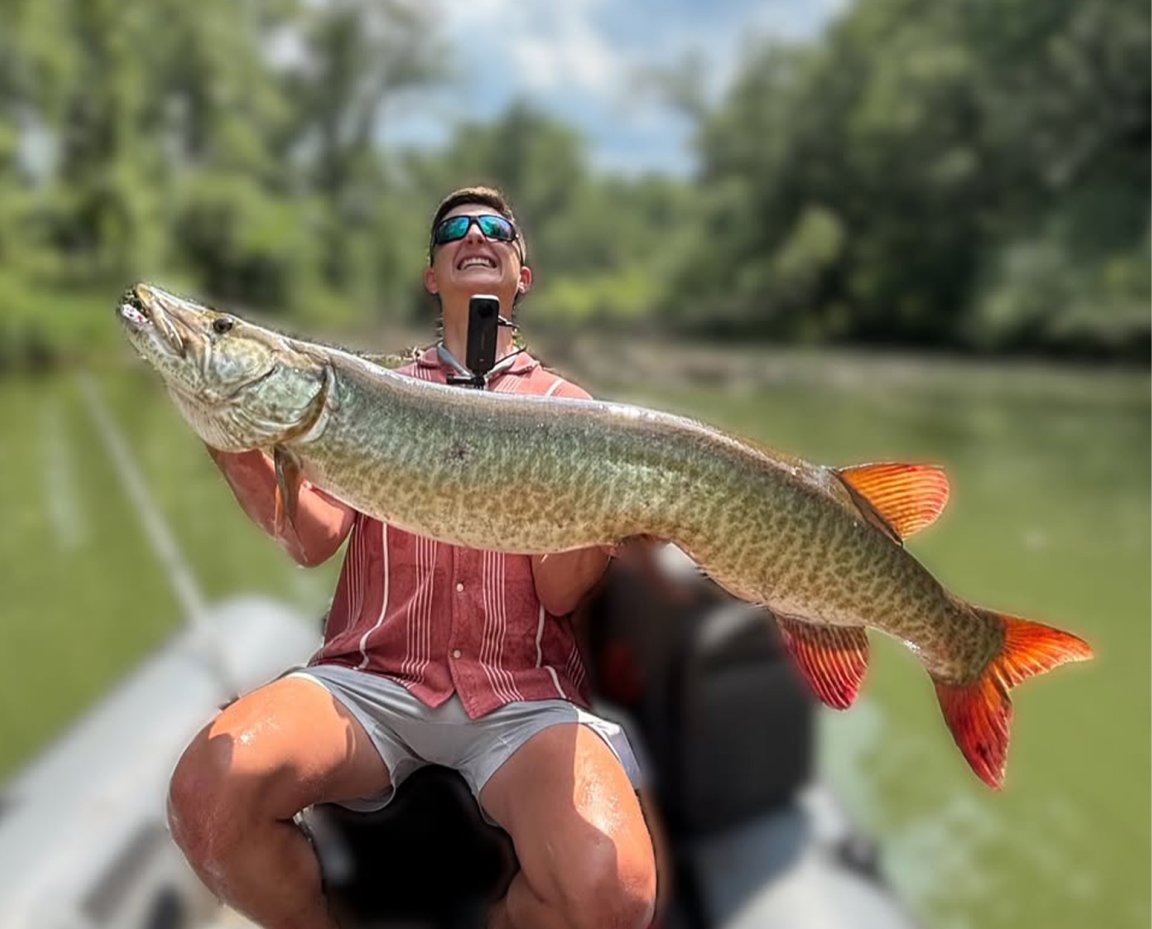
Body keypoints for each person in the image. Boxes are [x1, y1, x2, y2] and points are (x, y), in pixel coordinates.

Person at [166, 186, 659, 929]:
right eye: (453, 228)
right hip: (371, 681)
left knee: (615, 890)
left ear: (522, 272)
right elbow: (311, 538)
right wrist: (228, 430)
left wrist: (606, 516)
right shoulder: (371, 391)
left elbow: (559, 594)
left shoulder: (576, 411)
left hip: (519, 697)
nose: (475, 233)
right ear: (433, 274)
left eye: (497, 227)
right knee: (208, 797)